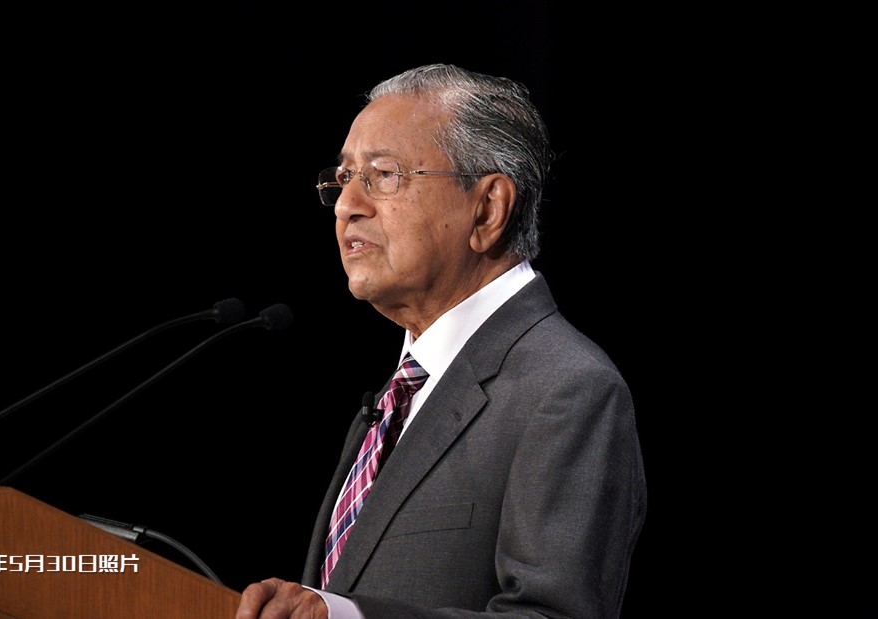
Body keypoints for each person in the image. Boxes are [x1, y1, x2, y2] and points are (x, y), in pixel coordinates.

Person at [237, 63, 647, 619]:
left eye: (384, 175)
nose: (347, 205)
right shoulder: (403, 391)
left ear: (488, 209)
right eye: (344, 178)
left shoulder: (567, 390)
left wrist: (345, 617)